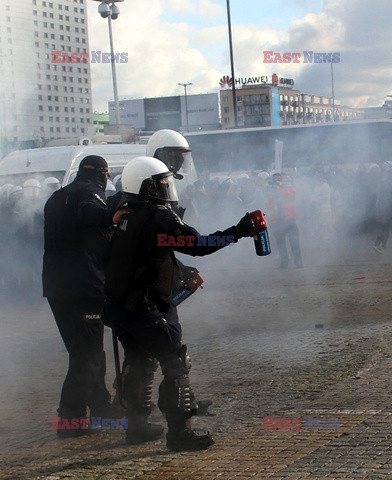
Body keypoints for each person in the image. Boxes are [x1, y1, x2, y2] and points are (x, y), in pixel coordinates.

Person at [104, 156, 256, 452]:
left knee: (138, 360)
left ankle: (136, 427)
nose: (166, 188)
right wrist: (238, 231)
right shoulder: (158, 216)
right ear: (146, 186)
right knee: (175, 363)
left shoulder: (122, 213)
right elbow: (199, 245)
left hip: (119, 306)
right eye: (161, 183)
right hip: (146, 306)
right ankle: (180, 433)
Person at [42, 155, 124, 437]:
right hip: (83, 285)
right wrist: (111, 215)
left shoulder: (57, 196)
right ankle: (71, 420)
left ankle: (101, 407)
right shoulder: (87, 193)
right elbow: (90, 212)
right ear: (103, 174)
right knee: (87, 355)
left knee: (84, 351)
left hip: (57, 286)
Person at [266, 172, 303, 269]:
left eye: (279, 179)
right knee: (280, 243)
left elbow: (293, 197)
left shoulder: (288, 188)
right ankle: (284, 262)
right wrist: (272, 194)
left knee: (294, 242)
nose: (277, 181)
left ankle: (298, 262)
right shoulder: (271, 192)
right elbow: (268, 205)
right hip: (277, 221)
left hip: (289, 219)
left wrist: (280, 190)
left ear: (282, 180)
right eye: (275, 180)